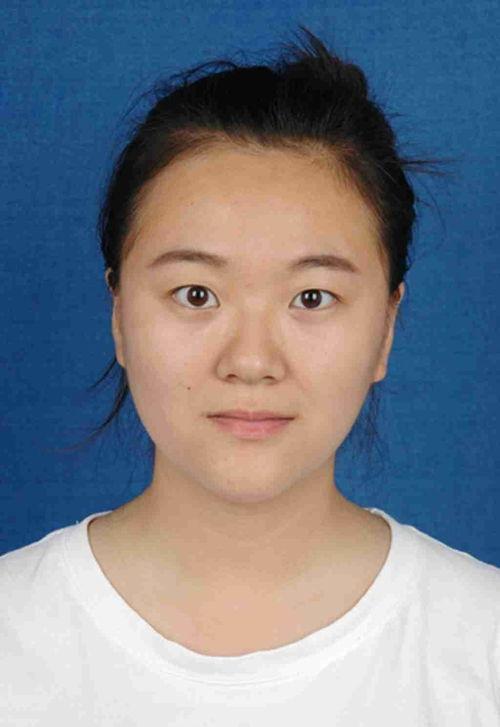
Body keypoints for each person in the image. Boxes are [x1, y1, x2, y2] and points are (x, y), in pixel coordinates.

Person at [1, 25, 499, 725]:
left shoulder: (482, 650)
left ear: (386, 327)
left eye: (312, 298)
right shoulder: (14, 640)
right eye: (196, 294)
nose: (252, 361)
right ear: (119, 314)